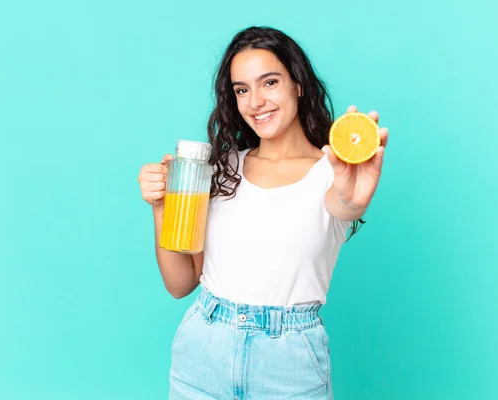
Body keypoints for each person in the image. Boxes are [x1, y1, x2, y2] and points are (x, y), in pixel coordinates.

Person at [137, 26, 388, 400]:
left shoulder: (333, 172)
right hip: (202, 354)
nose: (255, 102)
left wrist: (355, 199)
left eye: (269, 82)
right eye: (242, 89)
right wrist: (161, 208)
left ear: (298, 84)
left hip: (288, 365)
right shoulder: (222, 171)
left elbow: (345, 204)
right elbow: (180, 284)